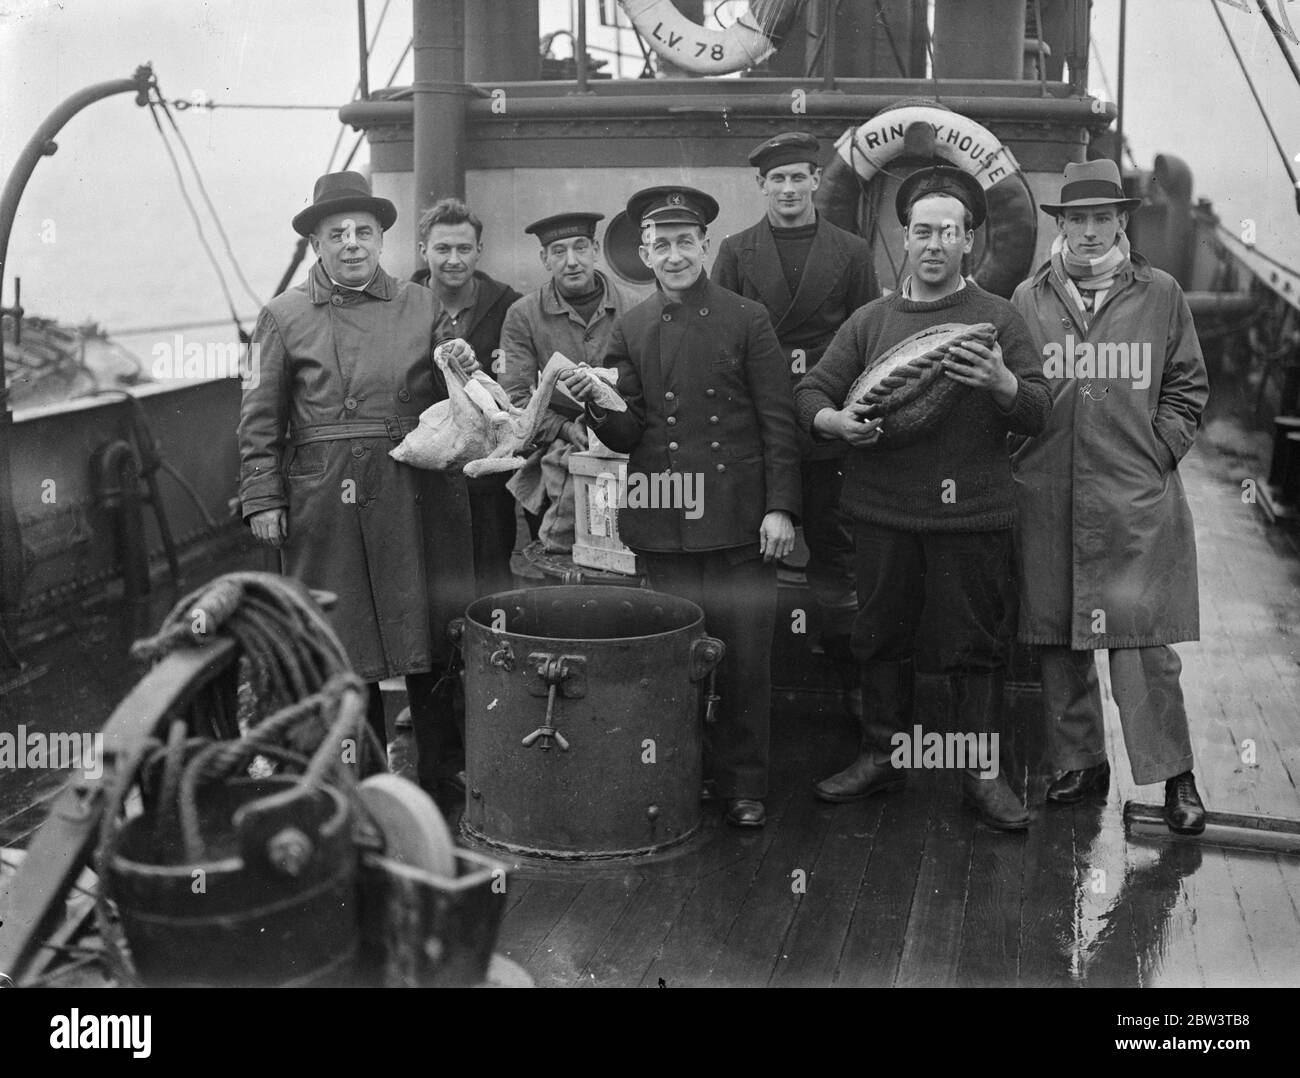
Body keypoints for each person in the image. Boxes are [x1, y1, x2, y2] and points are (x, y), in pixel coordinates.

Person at [794, 166, 1052, 830]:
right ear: (903, 239)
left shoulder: (998, 319)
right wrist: (834, 422)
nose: (933, 244)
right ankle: (882, 757)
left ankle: (982, 776)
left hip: (973, 515)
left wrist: (1000, 383)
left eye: (948, 231)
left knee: (978, 647)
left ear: (969, 240)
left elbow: (1039, 412)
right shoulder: (870, 321)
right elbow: (812, 394)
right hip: (882, 513)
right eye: (920, 232)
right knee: (879, 638)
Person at [562, 185, 802, 828]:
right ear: (644, 253)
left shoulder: (747, 318)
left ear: (704, 247)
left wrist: (781, 509)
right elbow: (624, 433)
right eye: (661, 245)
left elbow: (779, 422)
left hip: (737, 519)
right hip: (663, 522)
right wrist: (590, 399)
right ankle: (677, 774)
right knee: (672, 661)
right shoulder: (630, 325)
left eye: (685, 243)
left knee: (746, 657)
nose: (674, 256)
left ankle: (744, 784)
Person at [238, 170, 475, 804]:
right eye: (336, 233)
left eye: (363, 232)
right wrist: (264, 496)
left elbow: (456, 392)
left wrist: (466, 367)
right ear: (316, 242)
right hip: (325, 494)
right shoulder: (282, 316)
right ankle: (360, 779)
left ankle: (442, 773)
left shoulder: (421, 304)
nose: (351, 243)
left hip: (411, 484)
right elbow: (259, 415)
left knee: (427, 627)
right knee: (343, 638)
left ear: (380, 240)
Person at [1009, 159, 1209, 834]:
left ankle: (1176, 776)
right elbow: (1014, 389)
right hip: (1050, 491)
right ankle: (1080, 764)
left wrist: (1160, 452)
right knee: (1058, 635)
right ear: (1060, 226)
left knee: (1143, 645)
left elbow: (1186, 386)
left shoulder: (1161, 294)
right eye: (1075, 220)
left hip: (1132, 495)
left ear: (1122, 221)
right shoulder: (1027, 299)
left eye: (1101, 219)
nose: (1088, 233)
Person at [711, 132, 873, 713]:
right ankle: (751, 693)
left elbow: (865, 337)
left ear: (815, 180)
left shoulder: (851, 252)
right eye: (776, 179)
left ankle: (851, 687)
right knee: (753, 559)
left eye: (798, 176)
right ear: (761, 186)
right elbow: (721, 338)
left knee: (838, 558)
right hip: (759, 425)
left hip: (827, 426)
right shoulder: (734, 251)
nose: (787, 188)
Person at [499, 211, 638, 550]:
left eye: (579, 247)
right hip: (554, 460)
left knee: (622, 556)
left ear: (595, 248)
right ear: (544, 259)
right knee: (556, 558)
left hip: (625, 457)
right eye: (558, 251)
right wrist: (564, 428)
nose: (571, 261)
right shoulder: (523, 315)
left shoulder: (635, 307)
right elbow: (513, 399)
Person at [413, 197, 523, 597]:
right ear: (422, 250)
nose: (454, 259)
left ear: (480, 250)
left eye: (464, 248)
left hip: (488, 470)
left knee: (492, 571)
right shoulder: (402, 305)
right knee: (431, 573)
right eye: (442, 249)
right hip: (426, 464)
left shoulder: (510, 306)